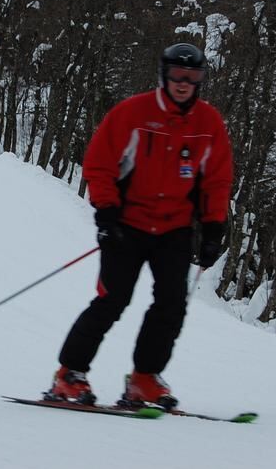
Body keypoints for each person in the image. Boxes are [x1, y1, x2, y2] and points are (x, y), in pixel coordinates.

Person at [46, 42, 233, 408]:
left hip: (175, 227)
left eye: (192, 77)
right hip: (127, 224)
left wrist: (213, 227)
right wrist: (106, 210)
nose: (183, 83)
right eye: (177, 75)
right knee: (112, 300)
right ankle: (69, 375)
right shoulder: (133, 113)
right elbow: (99, 164)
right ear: (164, 76)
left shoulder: (208, 122)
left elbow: (217, 179)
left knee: (171, 305)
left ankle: (144, 379)